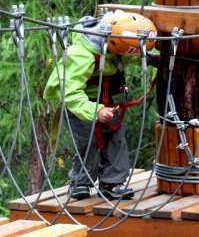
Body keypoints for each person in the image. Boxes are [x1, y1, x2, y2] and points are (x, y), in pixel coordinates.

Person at [43, 10, 158, 201]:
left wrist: (151, 58)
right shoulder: (82, 55)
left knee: (115, 137)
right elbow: (69, 91)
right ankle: (80, 182)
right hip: (81, 104)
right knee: (87, 142)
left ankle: (112, 183)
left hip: (104, 102)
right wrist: (95, 111)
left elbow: (130, 53)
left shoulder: (114, 44)